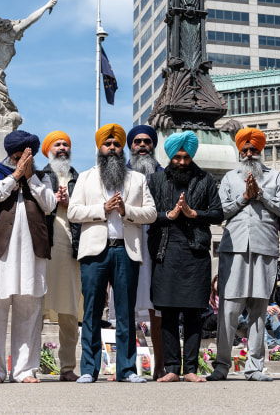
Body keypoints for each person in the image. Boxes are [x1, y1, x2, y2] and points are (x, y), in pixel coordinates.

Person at [68, 124, 157, 383]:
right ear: (100, 148)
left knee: (126, 312)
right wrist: (102, 209)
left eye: (116, 144)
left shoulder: (137, 179)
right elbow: (73, 212)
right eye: (107, 144)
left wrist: (127, 209)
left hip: (125, 251)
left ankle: (127, 370)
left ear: (122, 148)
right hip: (94, 253)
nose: (112, 148)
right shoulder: (85, 177)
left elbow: (150, 213)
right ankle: (88, 369)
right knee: (92, 312)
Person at [208, 128, 280, 382]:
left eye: (253, 149)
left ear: (260, 151)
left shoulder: (275, 177)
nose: (248, 154)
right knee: (229, 309)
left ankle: (254, 367)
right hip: (233, 249)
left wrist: (262, 194)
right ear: (239, 152)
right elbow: (219, 211)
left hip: (264, 247)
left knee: (259, 309)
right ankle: (222, 365)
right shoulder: (229, 178)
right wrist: (244, 197)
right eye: (244, 150)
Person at [0, 130, 57, 383]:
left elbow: (50, 204)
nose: (23, 160)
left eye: (27, 156)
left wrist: (30, 177)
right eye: (19, 156)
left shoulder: (42, 177)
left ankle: (24, 370)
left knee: (29, 313)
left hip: (32, 256)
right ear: (12, 155)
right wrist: (14, 177)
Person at [147, 131, 223, 382]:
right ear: (170, 156)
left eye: (186, 157)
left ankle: (190, 368)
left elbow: (217, 213)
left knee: (193, 313)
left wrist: (193, 214)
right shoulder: (156, 180)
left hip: (196, 253)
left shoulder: (205, 179)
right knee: (167, 312)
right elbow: (147, 213)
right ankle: (171, 369)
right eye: (177, 157)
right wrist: (168, 215)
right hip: (165, 251)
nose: (181, 161)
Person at [39, 130, 82, 382]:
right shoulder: (39, 176)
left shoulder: (80, 178)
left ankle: (67, 367)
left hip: (71, 250)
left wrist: (70, 204)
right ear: (48, 150)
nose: (62, 148)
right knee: (37, 310)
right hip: (45, 249)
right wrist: (52, 201)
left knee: (69, 312)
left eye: (66, 144)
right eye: (57, 144)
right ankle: (29, 366)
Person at [126, 124, 165, 379]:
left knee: (157, 308)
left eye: (147, 142)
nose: (142, 145)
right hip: (127, 242)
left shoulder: (164, 175)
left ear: (153, 145)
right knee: (125, 303)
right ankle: (124, 364)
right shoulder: (118, 173)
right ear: (130, 146)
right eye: (137, 141)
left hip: (157, 244)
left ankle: (160, 363)